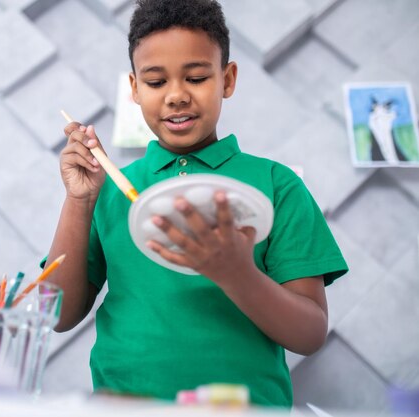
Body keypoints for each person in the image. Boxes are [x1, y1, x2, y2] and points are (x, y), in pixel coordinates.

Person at [45, 0, 348, 407]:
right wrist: (79, 201)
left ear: (227, 78)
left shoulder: (277, 185)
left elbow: (310, 335)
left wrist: (236, 274)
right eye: (155, 83)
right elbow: (56, 316)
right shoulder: (112, 188)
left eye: (197, 77)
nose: (176, 96)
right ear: (134, 89)